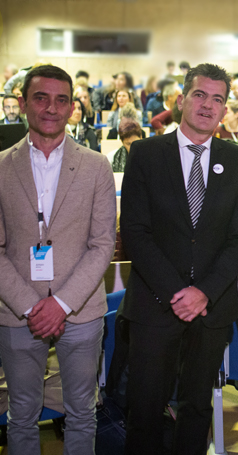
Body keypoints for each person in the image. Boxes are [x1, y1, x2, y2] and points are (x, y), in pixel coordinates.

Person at [120, 63, 238, 455]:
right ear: (181, 100)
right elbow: (135, 232)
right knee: (145, 409)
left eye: (217, 99)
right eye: (200, 95)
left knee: (197, 408)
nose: (208, 105)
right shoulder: (146, 154)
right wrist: (177, 292)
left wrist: (204, 293)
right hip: (155, 305)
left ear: (225, 108)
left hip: (210, 310)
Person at [0, 64, 116, 455]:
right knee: (21, 414)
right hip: (18, 312)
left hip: (80, 312)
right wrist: (33, 307)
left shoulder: (96, 166)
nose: (51, 108)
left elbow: (102, 244)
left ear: (71, 107)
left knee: (82, 412)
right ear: (22, 103)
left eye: (61, 100)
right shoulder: (1, 167)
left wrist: (61, 304)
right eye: (41, 98)